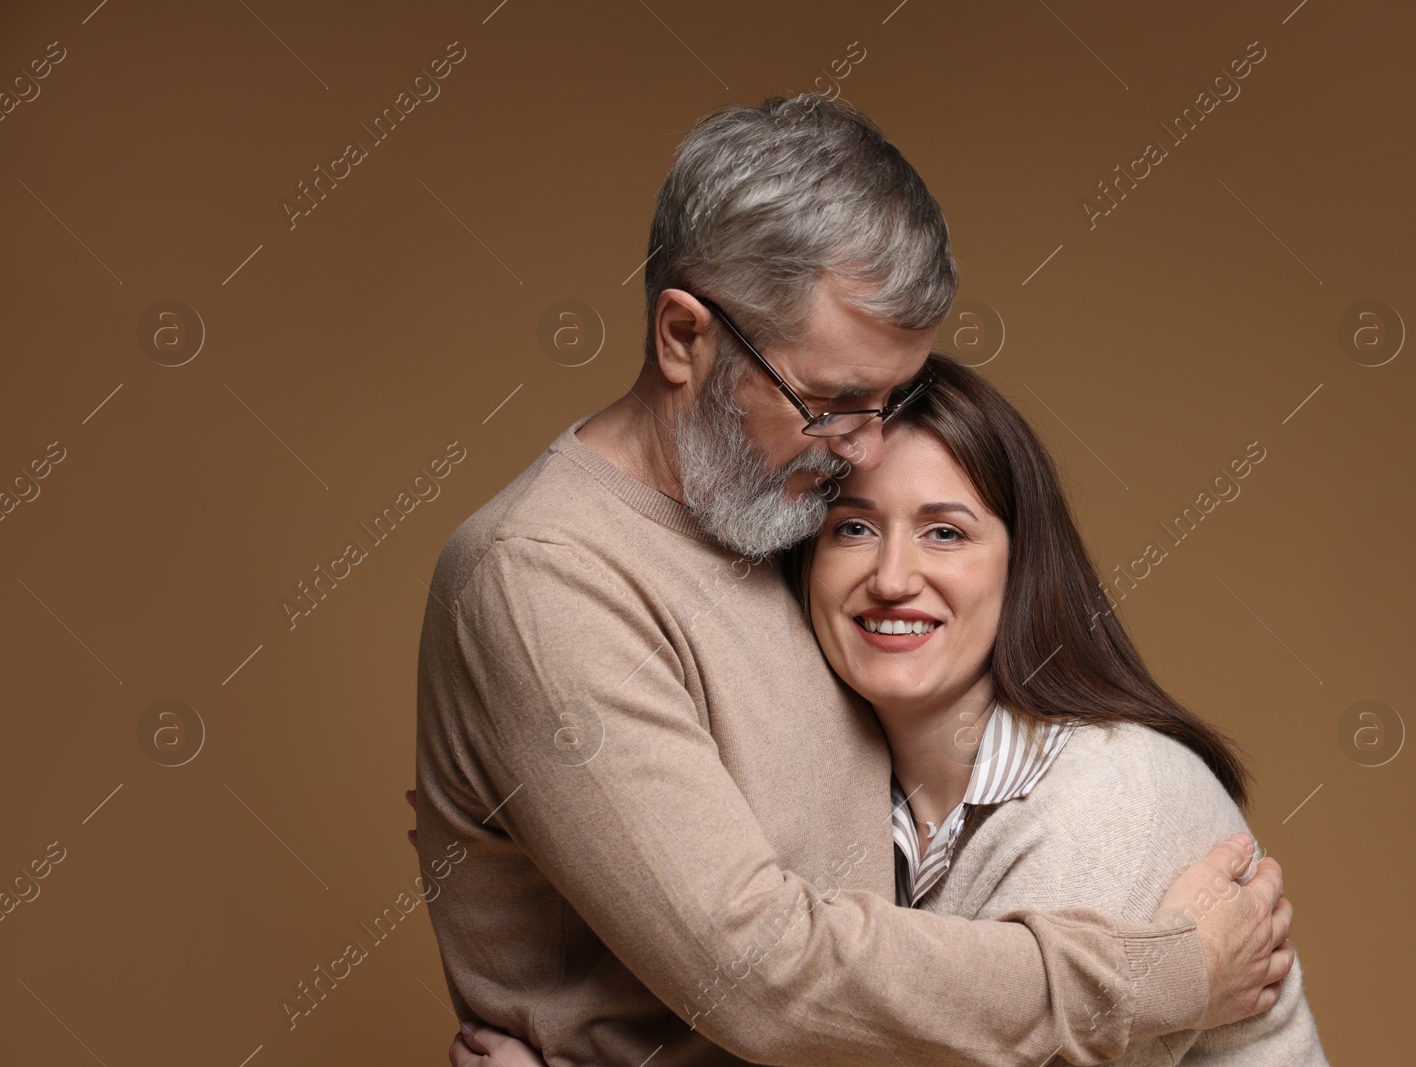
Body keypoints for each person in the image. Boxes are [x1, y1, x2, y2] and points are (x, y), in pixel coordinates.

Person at [410, 93, 1295, 1067]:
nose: (866, 448)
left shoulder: (772, 507)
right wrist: (1163, 973)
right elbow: (762, 974)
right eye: (832, 400)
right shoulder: (543, 580)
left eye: (891, 399)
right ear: (681, 336)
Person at [435, 355, 1325, 1067]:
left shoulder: (1111, 799)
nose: (892, 576)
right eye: (853, 528)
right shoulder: (864, 813)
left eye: (946, 531)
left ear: (1024, 564)